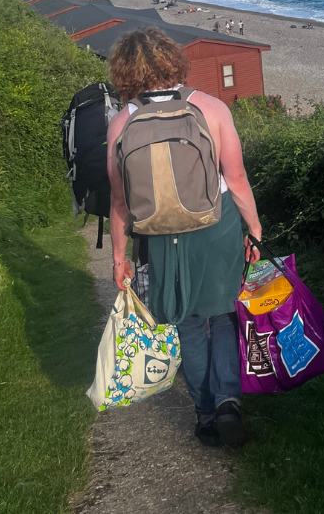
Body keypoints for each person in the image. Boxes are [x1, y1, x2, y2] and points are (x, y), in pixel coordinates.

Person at [106, 28, 263, 449]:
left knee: (188, 323)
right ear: (173, 60)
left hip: (159, 237)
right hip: (215, 225)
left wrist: (119, 257)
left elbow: (120, 200)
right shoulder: (210, 108)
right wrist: (254, 228)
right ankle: (229, 401)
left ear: (124, 72)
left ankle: (205, 413)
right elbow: (237, 178)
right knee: (225, 315)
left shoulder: (121, 121)